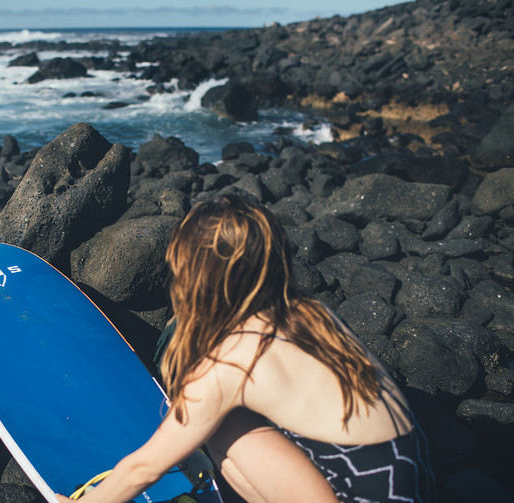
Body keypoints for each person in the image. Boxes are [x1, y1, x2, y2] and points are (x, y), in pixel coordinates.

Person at [56, 193, 435, 503]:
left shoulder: (229, 362)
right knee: (222, 421)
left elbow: (143, 468)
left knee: (218, 428)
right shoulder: (309, 310)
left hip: (360, 492)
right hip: (411, 480)